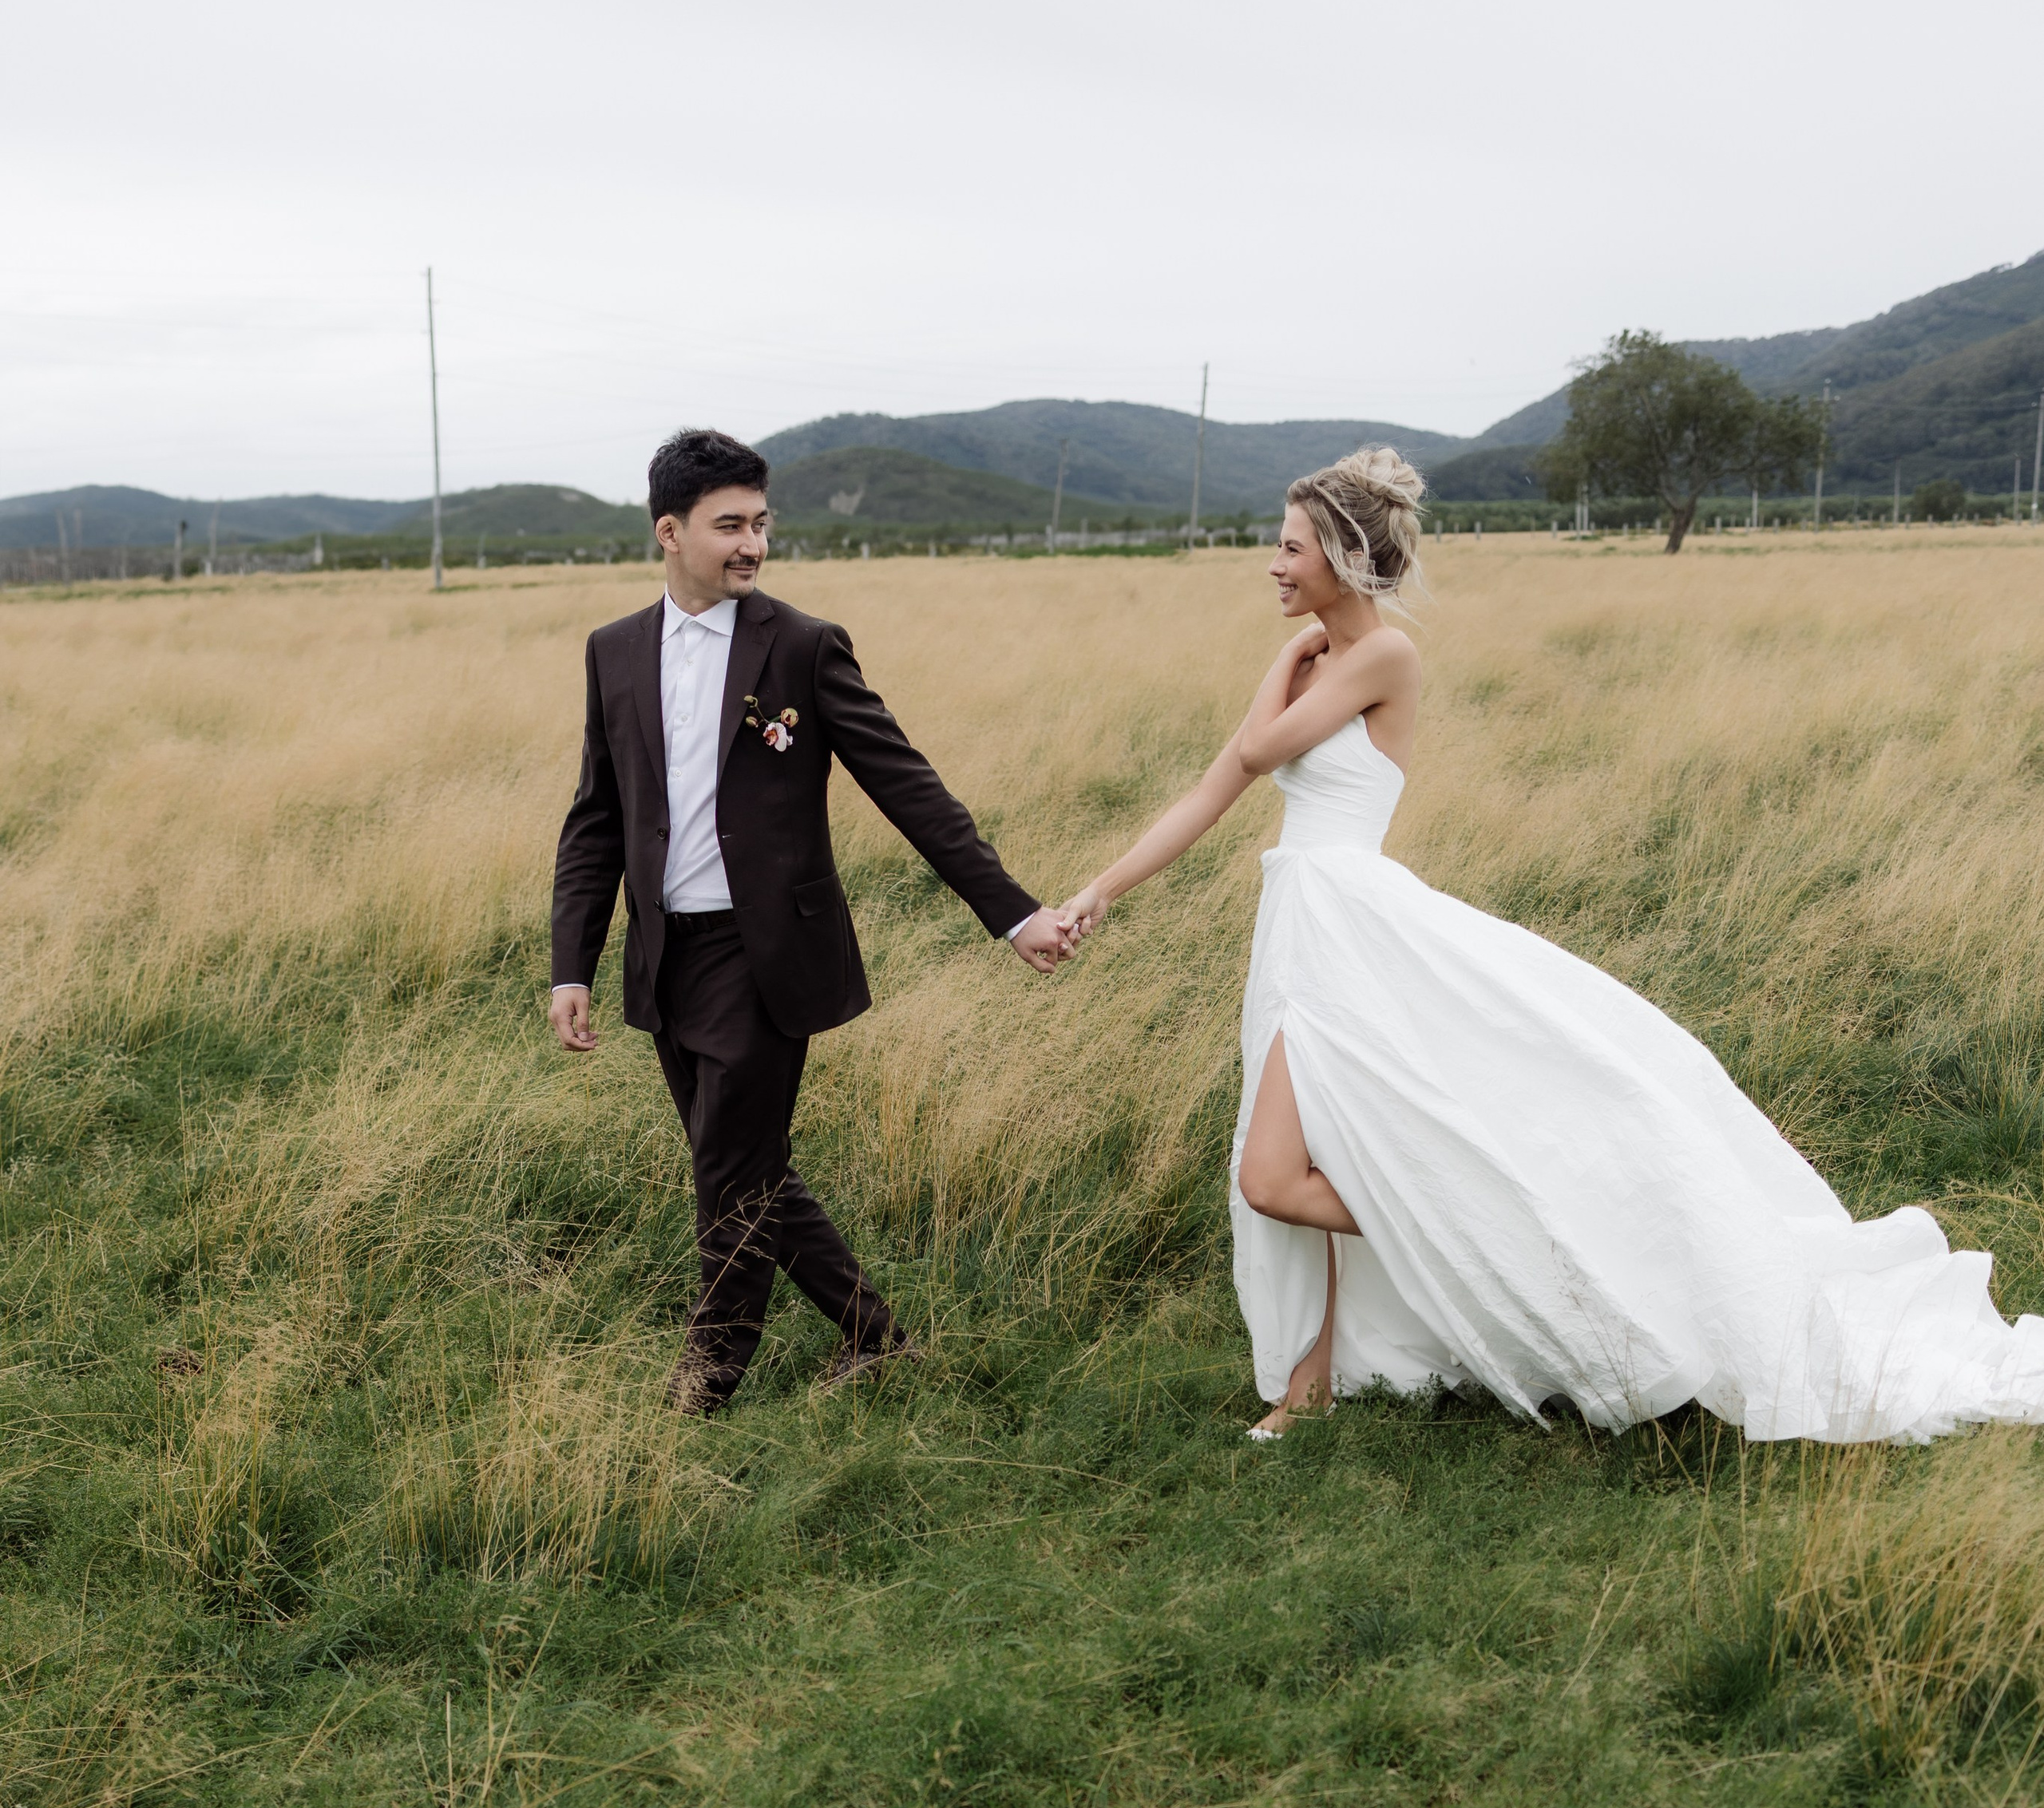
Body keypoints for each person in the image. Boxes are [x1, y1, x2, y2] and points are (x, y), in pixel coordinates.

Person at [1056, 446, 2044, 1446]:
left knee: (1277, 1176)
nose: (1272, 566)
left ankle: (1530, 1245)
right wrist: (1098, 891)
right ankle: (1311, 1378)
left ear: (1345, 557)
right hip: (1303, 928)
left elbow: (1258, 752)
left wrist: (1280, 660)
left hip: (1356, 934)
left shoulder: (1381, 657)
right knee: (1293, 1166)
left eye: (1288, 548)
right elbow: (1212, 792)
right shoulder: (1317, 662)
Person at [549, 427, 1073, 1414]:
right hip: (668, 958)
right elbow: (598, 817)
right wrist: (569, 965)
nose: (751, 544)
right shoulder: (614, 652)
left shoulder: (801, 645)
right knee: (747, 1168)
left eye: (761, 524)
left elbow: (907, 786)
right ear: (669, 531)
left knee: (731, 1185)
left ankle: (702, 1387)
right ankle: (876, 1339)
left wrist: (1012, 916)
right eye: (729, 526)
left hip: (767, 959)